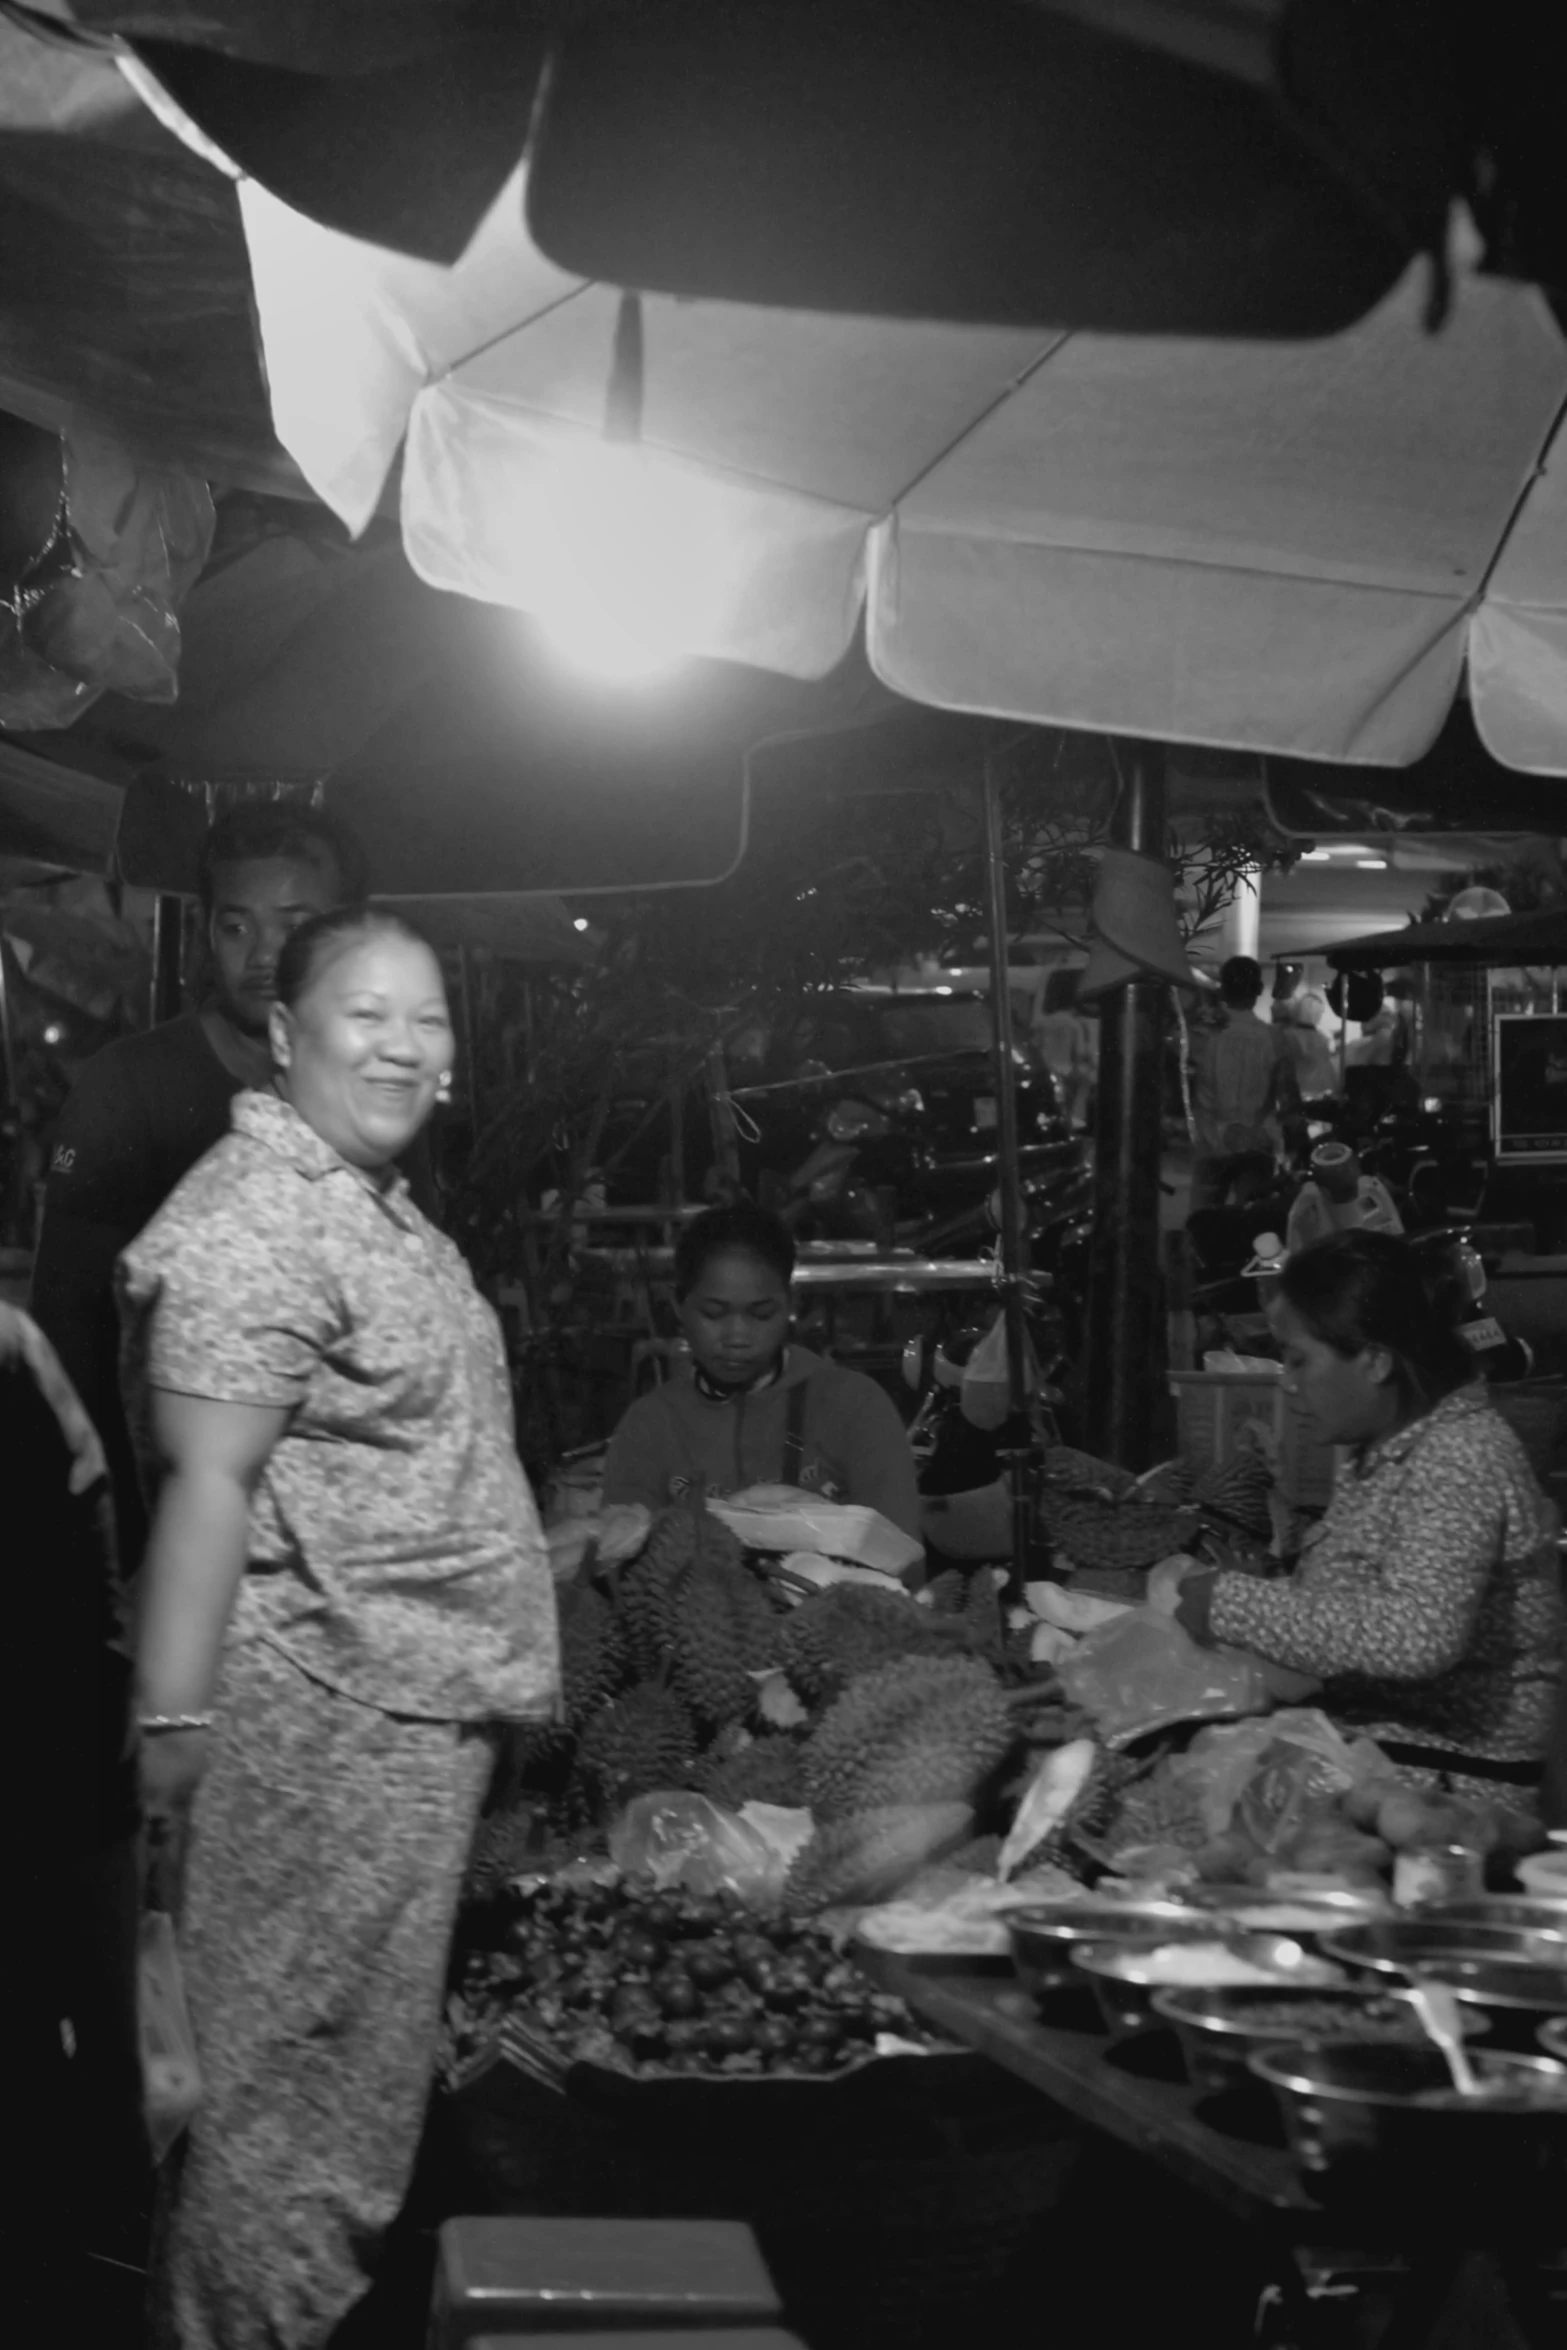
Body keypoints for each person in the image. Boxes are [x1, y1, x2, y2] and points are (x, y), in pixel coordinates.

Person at [119, 908, 559, 2350]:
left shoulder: (365, 1200)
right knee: (284, 2100)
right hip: (319, 1723)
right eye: (363, 1014)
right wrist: (175, 1734)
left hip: (398, 1705)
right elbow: (203, 1483)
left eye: (426, 1017)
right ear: (286, 1031)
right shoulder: (256, 1217)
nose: (402, 1044)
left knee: (344, 2098)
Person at [31, 800, 368, 1565]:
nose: (262, 953)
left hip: (333, 1541)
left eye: (294, 922)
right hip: (169, 1533)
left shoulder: (371, 1095)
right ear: (206, 932)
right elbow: (69, 1331)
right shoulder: (128, 1087)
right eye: (236, 925)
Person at [1176, 1232, 1565, 1795]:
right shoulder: (1385, 1448)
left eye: (1298, 1359)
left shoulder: (1460, 1455)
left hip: (1451, 1783)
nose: (1286, 1382)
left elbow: (1417, 1636)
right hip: (1382, 1746)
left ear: (1377, 1360)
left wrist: (1231, 1605)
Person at [7, 1304, 148, 2335]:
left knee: (92, 2046)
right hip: (68, 1758)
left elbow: (86, 1570)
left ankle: (104, 2263)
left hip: (58, 1761)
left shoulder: (11, 1355)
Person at [602, 1198, 921, 1538]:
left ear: (791, 1304)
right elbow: (618, 1566)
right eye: (713, 1313)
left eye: (761, 1314)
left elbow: (902, 1557)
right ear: (677, 1305)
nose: (737, 1337)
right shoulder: (650, 1426)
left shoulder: (855, 1407)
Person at [1187, 954, 1301, 1212]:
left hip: (1210, 1144)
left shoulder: (1201, 1035)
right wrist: (1296, 1144)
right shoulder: (1275, 1038)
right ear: (1260, 990)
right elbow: (1289, 1098)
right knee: (1253, 1224)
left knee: (1203, 1226)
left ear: (1223, 988)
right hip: (1258, 1144)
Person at [1031, 965, 1096, 1129]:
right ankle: (1077, 1119)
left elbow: (1034, 1046)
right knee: (1087, 1081)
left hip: (1048, 1070)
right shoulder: (1074, 1025)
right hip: (1067, 1071)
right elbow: (1081, 1052)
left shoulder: (1043, 1023)